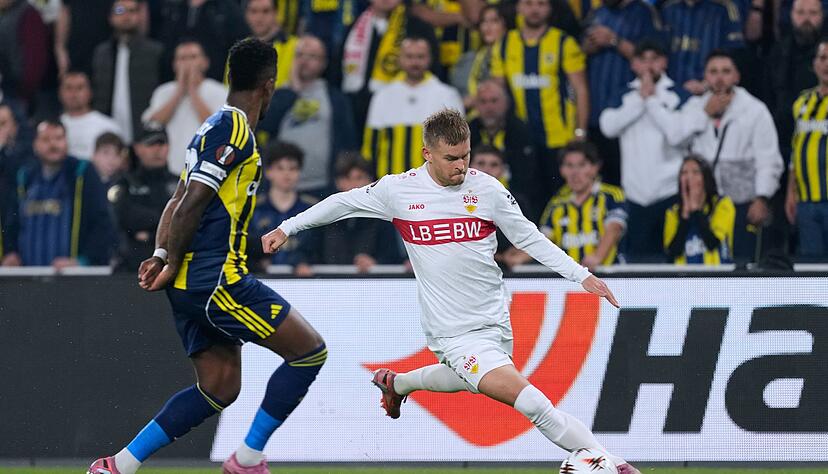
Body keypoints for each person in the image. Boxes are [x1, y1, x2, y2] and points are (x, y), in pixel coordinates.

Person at [264, 109, 641, 474]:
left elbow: (530, 238)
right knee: (532, 403)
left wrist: (581, 276)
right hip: (453, 333)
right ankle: (614, 465)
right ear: (427, 153)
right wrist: (288, 228)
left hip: (495, 321)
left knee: (467, 380)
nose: (461, 166)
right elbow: (340, 204)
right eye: (451, 158)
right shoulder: (400, 191)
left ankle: (397, 383)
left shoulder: (487, 189)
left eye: (466, 155)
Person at [87, 38, 327, 474]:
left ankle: (116, 467)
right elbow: (193, 197)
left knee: (219, 388)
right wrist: (171, 257)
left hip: (192, 281)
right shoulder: (235, 128)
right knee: (308, 352)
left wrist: (162, 253)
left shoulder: (210, 125)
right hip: (217, 280)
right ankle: (247, 459)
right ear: (268, 87)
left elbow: (178, 195)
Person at [667, 50, 783, 263]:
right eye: (713, 72)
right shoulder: (694, 107)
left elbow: (769, 159)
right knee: (709, 259)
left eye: (726, 71)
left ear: (737, 76)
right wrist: (704, 113)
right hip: (704, 205)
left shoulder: (754, 110)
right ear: (705, 76)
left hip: (743, 204)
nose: (719, 78)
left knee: (741, 261)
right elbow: (674, 138)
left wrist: (762, 197)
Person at [490, 0, 590, 201]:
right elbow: (497, 92)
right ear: (518, 7)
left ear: (550, 8)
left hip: (559, 139)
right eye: (529, 3)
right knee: (525, 200)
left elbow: (581, 89)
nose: (534, 9)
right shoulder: (504, 44)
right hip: (519, 140)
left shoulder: (563, 42)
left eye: (541, 4)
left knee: (559, 198)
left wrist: (580, 132)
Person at [599, 40, 685, 262]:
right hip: (635, 195)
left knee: (670, 261)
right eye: (642, 59)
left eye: (654, 59)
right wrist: (640, 99)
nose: (648, 65)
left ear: (664, 62)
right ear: (633, 64)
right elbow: (608, 127)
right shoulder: (624, 95)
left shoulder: (679, 95)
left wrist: (652, 100)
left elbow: (677, 133)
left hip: (670, 193)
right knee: (638, 263)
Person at [4, 120, 115, 269]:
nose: (53, 145)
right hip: (28, 275)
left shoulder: (82, 172)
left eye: (58, 138)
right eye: (46, 139)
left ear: (66, 142)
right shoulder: (24, 176)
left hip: (72, 277)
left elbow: (102, 222)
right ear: (34, 144)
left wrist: (83, 261)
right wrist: (11, 253)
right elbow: (12, 223)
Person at [503, 141, 627, 271]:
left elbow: (614, 229)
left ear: (595, 167)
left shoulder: (611, 196)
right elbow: (543, 239)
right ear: (562, 170)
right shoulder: (556, 204)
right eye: (569, 165)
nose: (575, 172)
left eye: (581, 165)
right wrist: (520, 257)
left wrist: (597, 256)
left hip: (611, 278)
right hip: (571, 282)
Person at [259, 35, 357, 196]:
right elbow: (265, 124)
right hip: (280, 187)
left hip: (323, 185)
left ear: (323, 63)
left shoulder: (336, 98)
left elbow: (348, 142)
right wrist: (293, 90)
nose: (304, 61)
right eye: (300, 55)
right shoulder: (278, 95)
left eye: (312, 56)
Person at [581, 0, 662, 186]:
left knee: (628, 181)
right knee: (598, 182)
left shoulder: (644, 13)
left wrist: (614, 40)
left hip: (629, 114)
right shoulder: (597, 13)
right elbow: (580, 51)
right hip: (596, 112)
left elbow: (654, 59)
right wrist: (588, 47)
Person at [362, 35, 464, 178]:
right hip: (391, 186)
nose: (415, 62)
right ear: (400, 59)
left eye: (420, 57)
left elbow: (459, 144)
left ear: (429, 59)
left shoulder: (447, 95)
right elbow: (371, 145)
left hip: (434, 186)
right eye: (409, 56)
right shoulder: (383, 96)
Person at [338, 0, 440, 132]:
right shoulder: (354, 27)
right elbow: (338, 70)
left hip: (403, 106)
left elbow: (432, 67)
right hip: (355, 108)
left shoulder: (419, 27)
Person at [142, 39, 228, 174]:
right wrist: (179, 92)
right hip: (170, 168)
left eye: (193, 57)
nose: (188, 63)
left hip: (205, 168)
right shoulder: (163, 91)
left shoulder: (219, 91)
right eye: (182, 58)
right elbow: (153, 124)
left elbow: (217, 127)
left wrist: (193, 92)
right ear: (174, 64)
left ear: (205, 62)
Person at [91, 0, 164, 143]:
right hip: (106, 130)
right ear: (110, 17)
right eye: (119, 11)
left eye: (132, 11)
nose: (126, 16)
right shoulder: (101, 53)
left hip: (145, 130)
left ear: (140, 16)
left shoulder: (155, 52)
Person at [468, 79, 542, 219]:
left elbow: (529, 180)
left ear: (506, 103)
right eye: (483, 102)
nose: (489, 107)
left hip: (514, 204)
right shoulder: (466, 133)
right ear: (476, 106)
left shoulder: (522, 132)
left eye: (494, 101)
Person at [109, 124, 179, 272]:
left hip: (170, 267)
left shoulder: (181, 183)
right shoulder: (124, 183)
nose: (157, 149)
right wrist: (163, 221)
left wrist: (147, 233)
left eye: (162, 143)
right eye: (150, 144)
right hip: (130, 267)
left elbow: (185, 220)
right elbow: (122, 216)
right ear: (137, 148)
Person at [248, 141, 318, 276]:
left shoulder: (312, 209)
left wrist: (303, 262)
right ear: (268, 172)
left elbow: (319, 248)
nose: (287, 174)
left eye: (292, 168)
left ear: (299, 172)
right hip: (260, 279)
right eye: (280, 168)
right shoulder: (254, 207)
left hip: (303, 281)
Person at [786, 38, 828, 258]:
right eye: (822, 58)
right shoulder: (802, 102)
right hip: (806, 202)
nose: (827, 64)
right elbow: (796, 150)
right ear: (814, 64)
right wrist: (790, 192)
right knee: (813, 266)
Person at [660, 0, 743, 95]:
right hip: (670, 92)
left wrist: (707, 83)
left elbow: (735, 57)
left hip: (712, 92)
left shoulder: (725, 9)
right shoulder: (668, 8)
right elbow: (657, 54)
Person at [664, 155, 736, 264]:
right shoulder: (672, 212)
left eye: (695, 172)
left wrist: (696, 211)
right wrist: (684, 217)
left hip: (717, 277)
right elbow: (673, 252)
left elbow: (712, 243)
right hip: (683, 278)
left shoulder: (722, 205)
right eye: (684, 173)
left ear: (705, 177)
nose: (689, 177)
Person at [449, 4, 508, 109]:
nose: (488, 26)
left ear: (505, 26)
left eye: (494, 21)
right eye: (484, 22)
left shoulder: (513, 57)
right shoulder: (466, 60)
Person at [59, 71, 123, 161]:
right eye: (68, 88)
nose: (74, 93)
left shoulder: (109, 126)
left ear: (90, 92)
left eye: (79, 88)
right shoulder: (52, 128)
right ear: (60, 92)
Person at [235, 0, 297, 89]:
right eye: (253, 11)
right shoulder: (238, 50)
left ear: (276, 13)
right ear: (246, 15)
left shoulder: (296, 47)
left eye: (266, 11)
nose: (259, 18)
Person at [0, 0, 49, 110]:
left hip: (19, 93)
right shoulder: (7, 14)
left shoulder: (28, 15)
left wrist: (25, 92)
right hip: (7, 90)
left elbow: (35, 60)